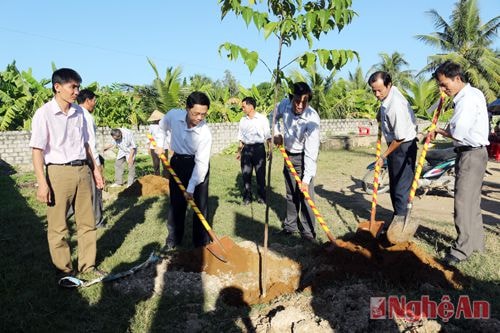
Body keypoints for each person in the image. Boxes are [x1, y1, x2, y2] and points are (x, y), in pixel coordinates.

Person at [29, 68, 105, 285]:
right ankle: (64, 269)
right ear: (57, 87)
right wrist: (42, 183)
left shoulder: (80, 113)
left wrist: (96, 171)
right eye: (73, 87)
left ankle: (88, 265)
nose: (76, 91)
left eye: (78, 87)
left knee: (87, 222)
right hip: (58, 172)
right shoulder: (44, 114)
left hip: (82, 170)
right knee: (58, 225)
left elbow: (87, 145)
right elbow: (37, 151)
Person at [432, 61, 489, 265]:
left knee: (463, 203)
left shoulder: (465, 100)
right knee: (473, 202)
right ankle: (476, 243)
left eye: (444, 84)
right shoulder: (475, 94)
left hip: (470, 155)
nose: (442, 89)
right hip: (478, 153)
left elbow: (458, 133)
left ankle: (461, 250)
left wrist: (438, 131)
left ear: (457, 78)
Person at [156, 91, 212, 251]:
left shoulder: (205, 133)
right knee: (176, 204)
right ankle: (173, 240)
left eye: (203, 114)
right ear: (187, 109)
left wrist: (191, 188)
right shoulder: (174, 115)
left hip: (197, 166)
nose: (200, 118)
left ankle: (201, 242)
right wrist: (160, 144)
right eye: (196, 113)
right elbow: (161, 127)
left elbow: (201, 164)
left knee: (200, 206)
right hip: (178, 163)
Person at [272, 82, 320, 242]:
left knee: (306, 196)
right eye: (297, 101)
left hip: (304, 157)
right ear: (291, 98)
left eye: (304, 102)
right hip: (288, 155)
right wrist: (276, 133)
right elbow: (271, 118)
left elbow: (311, 153)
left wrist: (306, 180)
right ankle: (290, 226)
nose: (300, 105)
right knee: (291, 193)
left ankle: (308, 232)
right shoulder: (284, 105)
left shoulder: (312, 119)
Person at [368, 71, 417, 227]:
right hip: (398, 145)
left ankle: (400, 224)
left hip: (403, 146)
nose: (376, 94)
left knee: (400, 188)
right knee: (395, 184)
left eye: (379, 90)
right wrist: (379, 114)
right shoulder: (390, 95)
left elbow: (400, 137)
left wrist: (383, 156)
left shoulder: (395, 106)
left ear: (388, 85)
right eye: (373, 90)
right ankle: (399, 217)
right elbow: (384, 106)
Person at [76, 89, 106, 228]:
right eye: (94, 101)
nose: (94, 104)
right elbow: (90, 144)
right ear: (88, 101)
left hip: (76, 162)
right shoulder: (86, 116)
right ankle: (97, 221)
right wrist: (97, 166)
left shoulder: (74, 113)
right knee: (96, 190)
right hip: (89, 160)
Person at [236, 96, 271, 205]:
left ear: (251, 107)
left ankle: (261, 197)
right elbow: (241, 138)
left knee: (260, 174)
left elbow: (268, 136)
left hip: (259, 149)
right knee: (246, 174)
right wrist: (239, 151)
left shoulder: (262, 119)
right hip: (246, 149)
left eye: (243, 107)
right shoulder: (243, 120)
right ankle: (247, 197)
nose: (242, 109)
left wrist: (270, 150)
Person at [147, 109, 169, 177]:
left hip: (164, 147)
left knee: (165, 164)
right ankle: (157, 177)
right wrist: (148, 147)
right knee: (156, 164)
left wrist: (170, 146)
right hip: (154, 148)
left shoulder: (166, 126)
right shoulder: (151, 126)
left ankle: (166, 178)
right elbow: (148, 136)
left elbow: (168, 136)